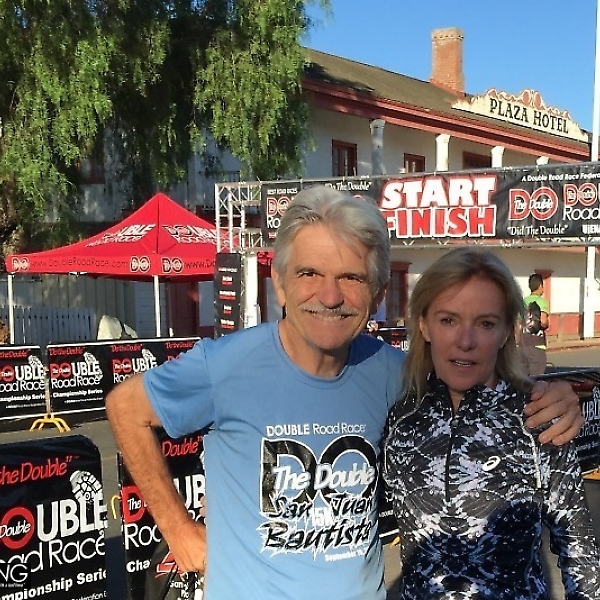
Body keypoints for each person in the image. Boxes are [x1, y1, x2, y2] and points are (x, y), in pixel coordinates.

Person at [106, 186, 583, 600]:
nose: (330, 296)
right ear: (280, 285)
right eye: (309, 274)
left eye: (351, 278)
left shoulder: (394, 373)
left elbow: (476, 384)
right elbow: (125, 407)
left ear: (377, 294)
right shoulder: (226, 365)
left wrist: (552, 394)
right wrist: (177, 528)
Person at [384, 247, 599, 599]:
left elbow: (580, 555)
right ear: (424, 324)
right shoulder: (400, 417)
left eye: (485, 323)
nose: (465, 341)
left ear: (506, 332)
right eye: (448, 320)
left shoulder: (539, 417)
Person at [521, 272, 550, 376]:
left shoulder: (522, 302)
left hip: (523, 345)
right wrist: (547, 324)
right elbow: (543, 322)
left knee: (523, 378)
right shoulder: (541, 302)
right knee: (537, 379)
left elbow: (517, 323)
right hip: (537, 345)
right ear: (540, 286)